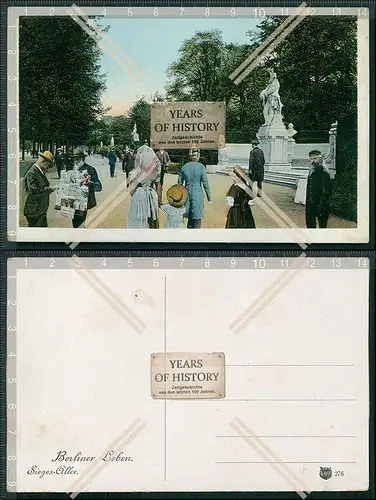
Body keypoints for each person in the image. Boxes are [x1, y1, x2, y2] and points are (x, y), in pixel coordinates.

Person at [127, 144, 162, 228]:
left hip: (139, 195)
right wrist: (159, 200)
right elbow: (158, 187)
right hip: (151, 193)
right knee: (151, 219)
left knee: (138, 220)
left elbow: (131, 190)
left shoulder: (135, 172)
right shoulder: (155, 170)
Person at [178, 148, 211, 229]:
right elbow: (205, 184)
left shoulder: (184, 167)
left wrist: (180, 198)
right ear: (198, 156)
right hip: (197, 193)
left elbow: (179, 184)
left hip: (187, 193)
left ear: (190, 156)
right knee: (197, 217)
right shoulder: (201, 167)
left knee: (189, 218)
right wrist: (209, 198)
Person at [71, 147, 102, 228]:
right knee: (74, 222)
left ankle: (81, 238)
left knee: (80, 222)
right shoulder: (71, 169)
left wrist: (90, 183)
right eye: (74, 159)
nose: (76, 161)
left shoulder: (90, 169)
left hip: (84, 201)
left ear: (83, 158)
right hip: (72, 200)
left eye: (78, 159)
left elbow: (99, 186)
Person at [23, 151, 55, 227]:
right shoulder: (32, 173)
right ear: (43, 161)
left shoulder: (38, 171)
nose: (48, 168)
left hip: (39, 210)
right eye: (49, 165)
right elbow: (35, 191)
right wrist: (50, 189)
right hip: (35, 212)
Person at [305, 150, 331, 228]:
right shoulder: (311, 171)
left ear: (320, 159)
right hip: (310, 205)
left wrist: (320, 207)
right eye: (311, 159)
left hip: (321, 206)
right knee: (310, 227)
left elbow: (326, 192)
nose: (313, 161)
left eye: (315, 158)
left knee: (322, 228)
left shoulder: (324, 173)